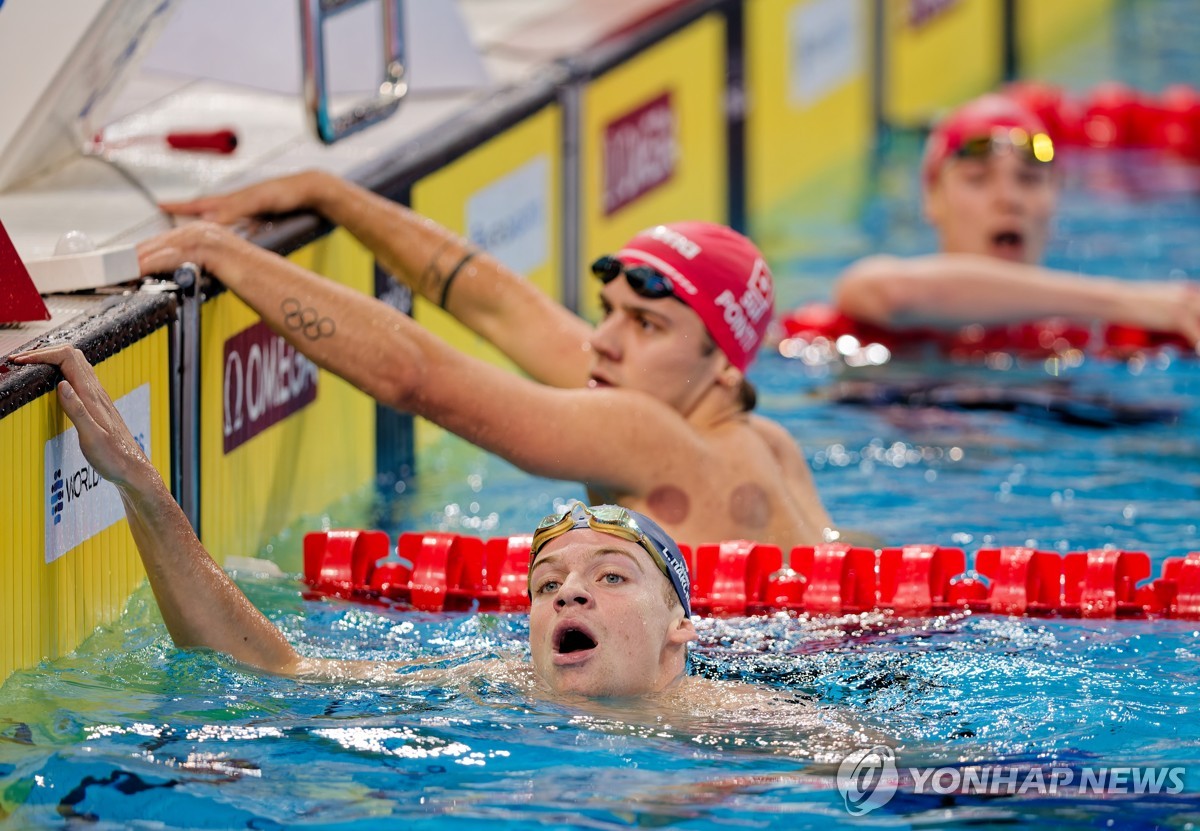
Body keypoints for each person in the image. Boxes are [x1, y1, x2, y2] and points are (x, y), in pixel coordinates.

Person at [12, 345, 836, 720]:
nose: (572, 589)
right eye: (547, 585)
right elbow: (269, 663)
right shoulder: (493, 687)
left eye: (613, 576)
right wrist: (145, 491)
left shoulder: (747, 721)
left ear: (679, 630)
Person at [136, 177, 835, 549]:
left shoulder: (647, 434)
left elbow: (415, 378)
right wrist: (330, 194)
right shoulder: (766, 443)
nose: (604, 341)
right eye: (606, 310)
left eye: (646, 323)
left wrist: (224, 253)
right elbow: (501, 306)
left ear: (723, 366)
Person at [831, 93, 1200, 349]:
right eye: (977, 179)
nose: (1009, 199)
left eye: (1029, 179)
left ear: (1054, 198)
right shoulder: (879, 316)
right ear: (932, 198)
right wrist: (1129, 300)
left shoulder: (1089, 339)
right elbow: (890, 293)